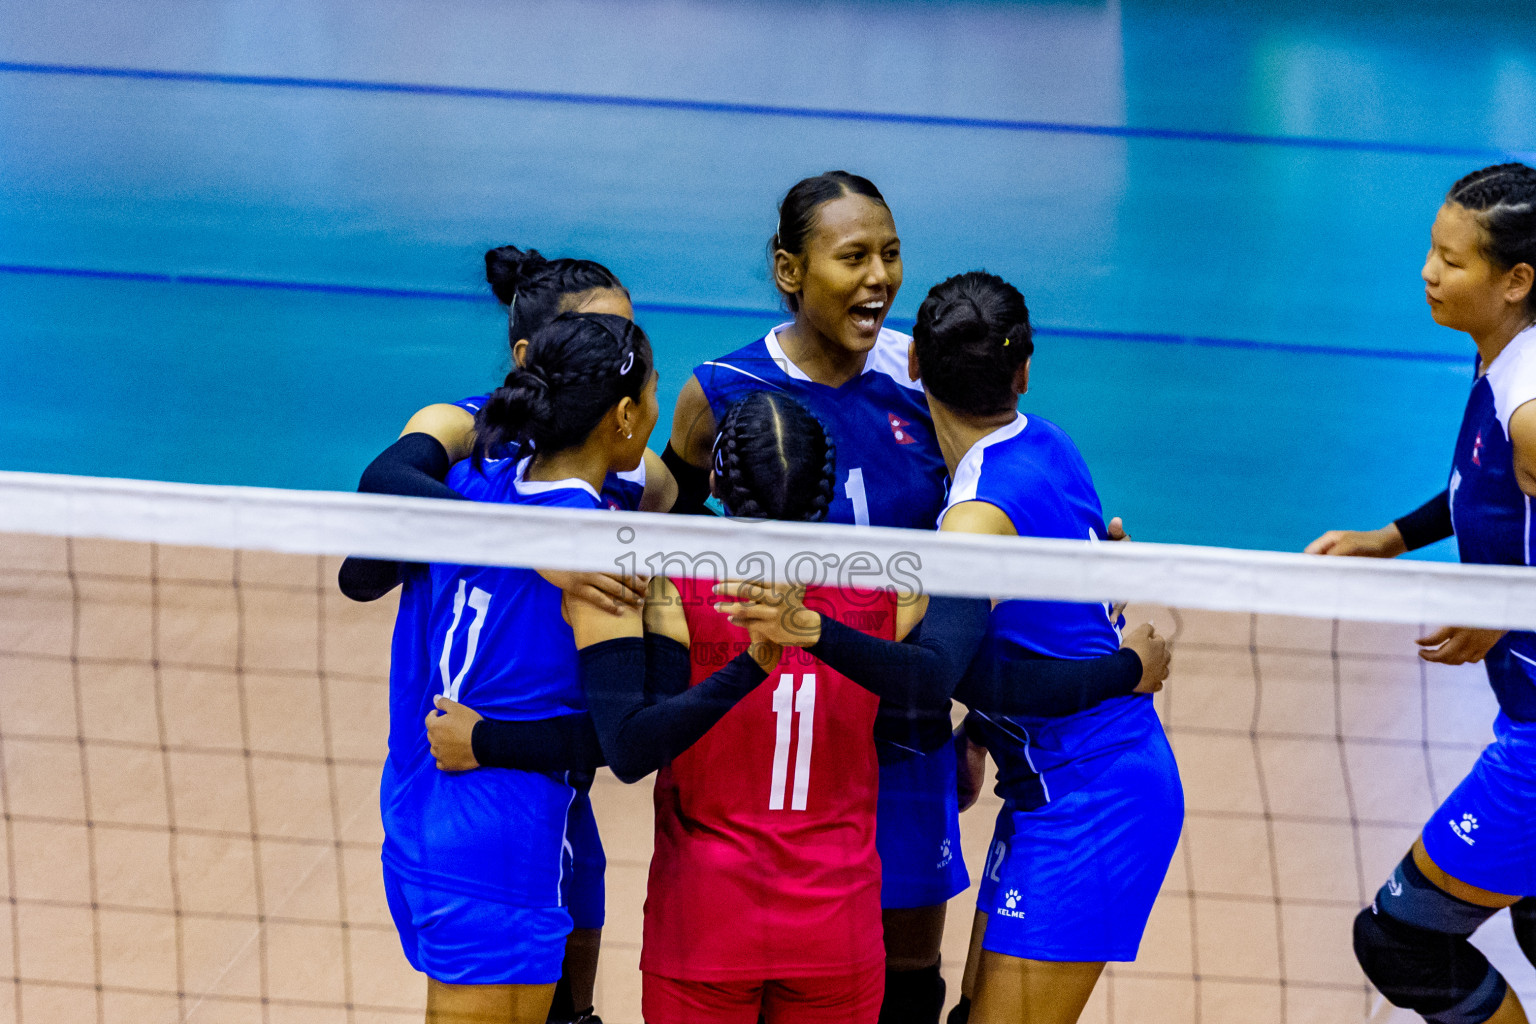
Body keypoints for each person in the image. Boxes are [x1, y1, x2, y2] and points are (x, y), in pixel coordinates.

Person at [721, 271, 1181, 1024]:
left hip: (1094, 800)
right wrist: (984, 732)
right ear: (1024, 371)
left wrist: (809, 627)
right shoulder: (1049, 445)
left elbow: (936, 675)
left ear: (914, 367)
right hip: (1049, 786)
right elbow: (1035, 636)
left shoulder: (973, 519)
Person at [429, 390, 931, 1023]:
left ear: (717, 475)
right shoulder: (890, 584)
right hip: (838, 926)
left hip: (704, 922)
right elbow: (932, 678)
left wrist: (489, 742)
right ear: (824, 483)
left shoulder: (669, 581)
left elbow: (630, 744)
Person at [344, 245, 676, 1024]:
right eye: (591, 341)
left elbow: (664, 490)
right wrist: (532, 544)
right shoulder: (460, 441)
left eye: (622, 343)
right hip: (477, 802)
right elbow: (360, 571)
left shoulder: (608, 483)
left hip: (512, 798)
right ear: (531, 356)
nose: (608, 359)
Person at [664, 171, 965, 1023]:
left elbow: (983, 543)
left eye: (892, 254)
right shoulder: (718, 390)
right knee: (765, 965)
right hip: (776, 731)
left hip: (902, 725)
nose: (879, 277)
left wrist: (971, 721)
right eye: (854, 257)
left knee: (904, 965)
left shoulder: (925, 380)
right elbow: (676, 538)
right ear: (790, 271)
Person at [1311, 163, 1536, 1024]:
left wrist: (1511, 604)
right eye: (1430, 251)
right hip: (1525, 707)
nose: (1427, 272)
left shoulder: (1530, 401)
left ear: (1516, 281)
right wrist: (1392, 537)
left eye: (1452, 260)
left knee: (1399, 939)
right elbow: (1482, 488)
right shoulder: (1506, 361)